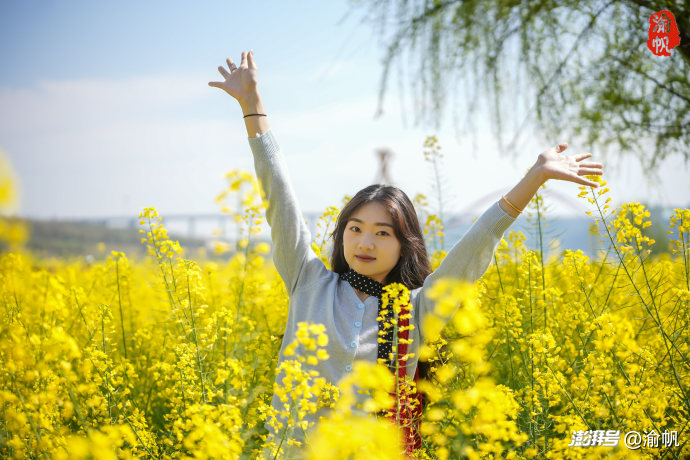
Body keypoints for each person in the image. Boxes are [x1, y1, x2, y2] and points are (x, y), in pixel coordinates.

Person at [209, 50, 604, 458]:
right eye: (355, 229)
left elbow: (474, 249)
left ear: (404, 245)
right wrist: (252, 105)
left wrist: (535, 177)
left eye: (382, 233)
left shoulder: (416, 310)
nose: (365, 243)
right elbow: (280, 198)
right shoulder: (308, 282)